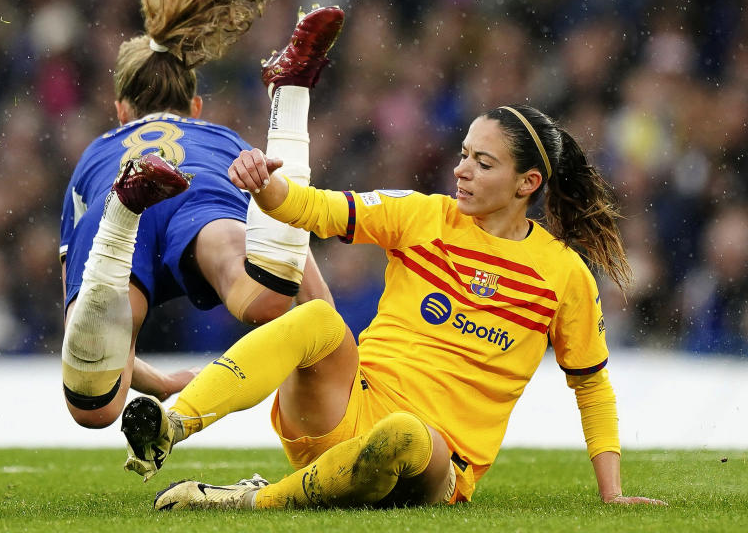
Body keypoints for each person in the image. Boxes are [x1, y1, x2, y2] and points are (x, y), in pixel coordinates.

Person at [120, 99, 667, 509]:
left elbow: (591, 385)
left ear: (528, 182)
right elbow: (315, 209)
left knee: (404, 434)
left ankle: (245, 501)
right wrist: (262, 186)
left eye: (483, 162)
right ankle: (170, 427)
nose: (462, 170)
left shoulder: (564, 275)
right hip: (348, 406)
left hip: (434, 460)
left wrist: (612, 493)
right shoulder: (423, 215)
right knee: (316, 318)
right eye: (463, 155)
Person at [59, 0, 344, 429]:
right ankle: (291, 98)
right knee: (264, 298)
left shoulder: (94, 155)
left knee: (95, 404)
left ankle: (125, 211)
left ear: (121, 111)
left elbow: (78, 327)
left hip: (117, 189)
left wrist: (160, 384)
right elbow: (305, 283)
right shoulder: (220, 138)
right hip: (202, 190)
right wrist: (335, 341)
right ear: (194, 104)